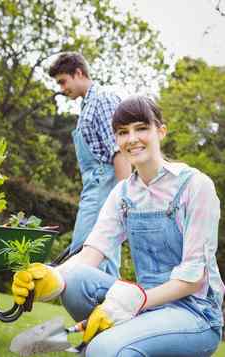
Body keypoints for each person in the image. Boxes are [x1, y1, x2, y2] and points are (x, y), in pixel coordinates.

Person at [12, 96, 224, 357]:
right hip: (145, 305)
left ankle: (107, 345)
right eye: (123, 132)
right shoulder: (123, 194)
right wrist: (51, 276)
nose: (132, 138)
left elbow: (193, 279)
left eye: (141, 128)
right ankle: (120, 342)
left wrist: (133, 301)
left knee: (103, 349)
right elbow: (92, 253)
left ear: (161, 131)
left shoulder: (195, 186)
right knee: (75, 279)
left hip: (195, 313)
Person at [48, 52, 131, 277]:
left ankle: (97, 309)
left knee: (83, 252)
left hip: (104, 188)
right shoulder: (87, 104)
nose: (62, 88)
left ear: (78, 73)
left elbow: (119, 152)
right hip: (95, 187)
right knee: (105, 255)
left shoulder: (102, 99)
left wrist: (125, 198)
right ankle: (111, 311)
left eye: (63, 81)